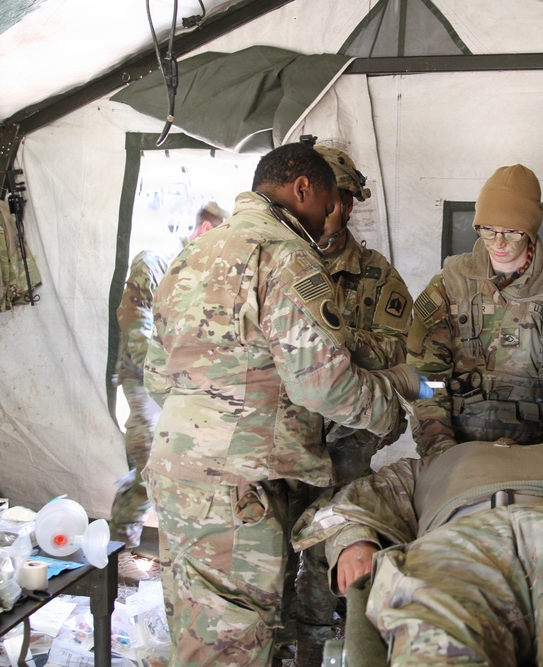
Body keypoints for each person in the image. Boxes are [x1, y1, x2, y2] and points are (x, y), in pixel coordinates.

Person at [143, 142, 426, 667]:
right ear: (303, 190)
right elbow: (322, 385)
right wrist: (392, 404)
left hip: (177, 471)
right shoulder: (285, 254)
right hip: (241, 483)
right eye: (326, 204)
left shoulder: (194, 253)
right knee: (236, 640)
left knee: (198, 627)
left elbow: (159, 373)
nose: (326, 222)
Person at [292, 440, 543, 666]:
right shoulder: (426, 465)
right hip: (461, 540)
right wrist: (355, 541)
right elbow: (350, 502)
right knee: (436, 643)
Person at [289, 143, 415, 665]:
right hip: (283, 440)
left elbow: (405, 347)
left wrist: (337, 349)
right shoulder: (282, 262)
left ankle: (314, 650)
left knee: (331, 548)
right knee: (271, 553)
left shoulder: (375, 275)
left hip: (346, 441)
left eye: (347, 201)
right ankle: (278, 644)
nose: (338, 212)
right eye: (332, 199)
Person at [407, 164, 543, 457]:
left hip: (535, 453)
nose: (499, 243)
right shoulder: (450, 284)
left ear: (530, 229)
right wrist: (440, 451)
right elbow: (426, 376)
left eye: (512, 232)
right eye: (488, 230)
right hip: (458, 451)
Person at [109, 201, 229, 547]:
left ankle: (136, 543)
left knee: (171, 470)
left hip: (184, 387)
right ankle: (123, 547)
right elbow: (137, 331)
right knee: (151, 461)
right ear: (206, 230)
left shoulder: (204, 274)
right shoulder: (155, 263)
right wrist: (175, 379)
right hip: (146, 382)